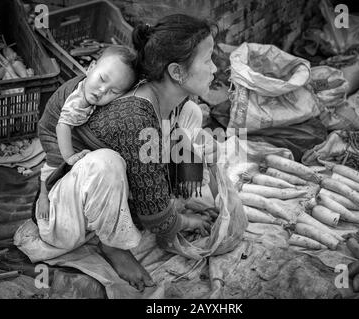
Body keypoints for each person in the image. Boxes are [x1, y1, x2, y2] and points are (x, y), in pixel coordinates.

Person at [28, 14, 218, 292]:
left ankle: (171, 196)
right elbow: (156, 215)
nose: (215, 69)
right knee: (107, 162)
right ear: (176, 72)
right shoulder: (135, 117)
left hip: (99, 196)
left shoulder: (164, 94)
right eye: (208, 59)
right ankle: (113, 245)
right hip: (63, 216)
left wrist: (181, 194)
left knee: (190, 113)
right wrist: (182, 221)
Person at [37, 45, 138, 220]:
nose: (101, 90)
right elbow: (62, 127)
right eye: (102, 79)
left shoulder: (92, 89)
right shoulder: (78, 101)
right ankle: (43, 196)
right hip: (54, 130)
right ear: (91, 68)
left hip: (68, 127)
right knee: (55, 162)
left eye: (113, 92)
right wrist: (68, 156)